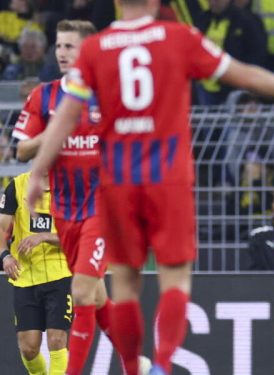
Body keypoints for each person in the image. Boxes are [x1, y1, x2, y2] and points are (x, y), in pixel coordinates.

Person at [26, 1, 274, 374]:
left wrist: (37, 171)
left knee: (125, 286)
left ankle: (132, 366)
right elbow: (241, 74)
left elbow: (67, 112)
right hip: (168, 177)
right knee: (175, 279)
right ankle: (161, 366)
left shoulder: (97, 47)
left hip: (117, 180)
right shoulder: (178, 37)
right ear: (155, 3)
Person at [11, 19, 152, 375]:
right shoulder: (43, 97)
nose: (61, 52)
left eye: (70, 46)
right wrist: (57, 130)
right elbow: (22, 150)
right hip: (65, 213)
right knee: (99, 298)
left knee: (83, 288)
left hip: (102, 211)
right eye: (59, 45)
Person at [1, 171, 70, 375]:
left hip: (59, 274)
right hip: (25, 276)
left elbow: (77, 234)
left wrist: (44, 237)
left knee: (57, 339)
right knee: (28, 348)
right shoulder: (18, 185)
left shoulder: (70, 189)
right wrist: (5, 256)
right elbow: (2, 228)